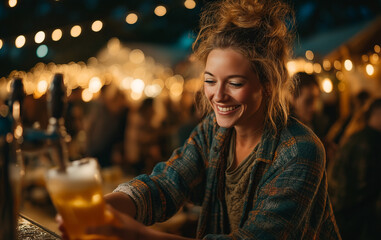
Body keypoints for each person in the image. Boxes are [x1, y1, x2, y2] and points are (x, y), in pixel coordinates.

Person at [58, 0, 341, 239]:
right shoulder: (212, 131)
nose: (217, 96)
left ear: (267, 85)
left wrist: (132, 233)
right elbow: (166, 184)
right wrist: (98, 209)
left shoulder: (300, 150)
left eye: (235, 83)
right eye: (209, 81)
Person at [328, 98, 381, 240]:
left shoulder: (358, 136)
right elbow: (363, 186)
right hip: (355, 218)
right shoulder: (370, 141)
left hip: (342, 212)